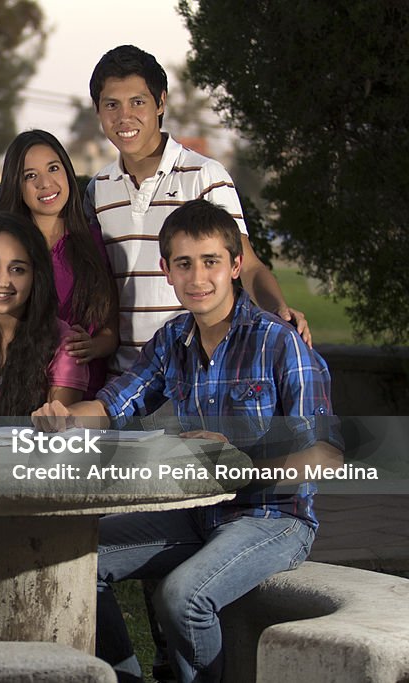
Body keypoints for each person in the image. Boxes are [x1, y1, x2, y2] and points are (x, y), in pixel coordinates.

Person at [33, 199, 343, 683]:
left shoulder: (279, 343)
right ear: (167, 271)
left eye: (211, 262)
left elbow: (325, 456)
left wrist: (242, 463)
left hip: (273, 518)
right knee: (72, 559)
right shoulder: (171, 339)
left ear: (236, 266)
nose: (198, 277)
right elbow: (114, 405)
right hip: (199, 511)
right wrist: (65, 419)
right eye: (184, 264)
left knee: (181, 597)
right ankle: (123, 677)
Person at [82, 44, 310, 379]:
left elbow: (245, 264)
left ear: (160, 103)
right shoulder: (98, 189)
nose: (124, 117)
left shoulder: (204, 175)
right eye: (112, 105)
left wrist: (277, 311)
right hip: (125, 383)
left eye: (138, 102)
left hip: (192, 379)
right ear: (98, 110)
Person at [0, 130, 118, 398]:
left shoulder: (94, 243)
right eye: (30, 176)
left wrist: (94, 346)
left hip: (84, 395)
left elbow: (110, 327)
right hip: (20, 391)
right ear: (16, 185)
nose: (45, 183)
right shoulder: (4, 247)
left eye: (53, 168)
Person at [0, 213, 91, 426]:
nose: (3, 281)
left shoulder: (65, 342)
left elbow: (56, 430)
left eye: (17, 269)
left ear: (36, 275)